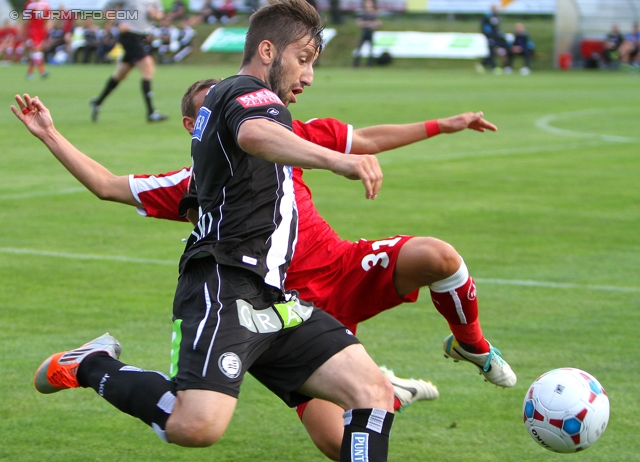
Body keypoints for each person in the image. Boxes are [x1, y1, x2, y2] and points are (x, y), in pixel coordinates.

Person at [13, 76, 514, 459]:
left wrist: (441, 125)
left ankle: (465, 347)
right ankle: (91, 364)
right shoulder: (196, 182)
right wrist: (50, 134)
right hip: (275, 307)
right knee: (340, 444)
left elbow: (364, 138)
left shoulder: (288, 135)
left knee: (436, 257)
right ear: (197, 127)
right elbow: (107, 184)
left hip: (338, 272)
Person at [22, 1, 399, 459]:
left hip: (275, 297)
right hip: (225, 286)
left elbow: (108, 185)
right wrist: (335, 159)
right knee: (195, 425)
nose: (309, 75)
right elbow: (254, 134)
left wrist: (50, 134)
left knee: (373, 392)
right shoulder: (247, 91)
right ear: (267, 51)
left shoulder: (222, 142)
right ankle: (91, 364)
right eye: (303, 60)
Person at [89, 0, 168, 123]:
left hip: (143, 37)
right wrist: (117, 23)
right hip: (129, 35)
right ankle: (151, 112)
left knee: (120, 74)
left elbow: (160, 15)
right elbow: (106, 9)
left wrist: (155, 15)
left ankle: (98, 102)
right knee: (148, 67)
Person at [23, 0, 51, 79]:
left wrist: (46, 30)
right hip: (33, 30)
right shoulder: (30, 4)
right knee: (37, 50)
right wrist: (26, 32)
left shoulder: (45, 4)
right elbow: (25, 18)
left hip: (41, 30)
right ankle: (42, 71)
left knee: (36, 52)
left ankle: (29, 73)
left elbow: (48, 18)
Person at [352, 0, 381, 67]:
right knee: (358, 49)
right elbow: (359, 23)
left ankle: (369, 64)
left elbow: (378, 23)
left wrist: (366, 24)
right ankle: (355, 64)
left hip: (370, 32)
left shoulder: (373, 13)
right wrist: (369, 24)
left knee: (371, 50)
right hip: (364, 32)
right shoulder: (363, 13)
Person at [477, 4, 503, 74]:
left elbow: (496, 27)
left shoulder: (497, 16)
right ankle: (493, 67)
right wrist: (488, 36)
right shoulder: (487, 17)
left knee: (492, 52)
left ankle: (483, 64)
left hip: (495, 37)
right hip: (490, 37)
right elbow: (484, 27)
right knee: (491, 51)